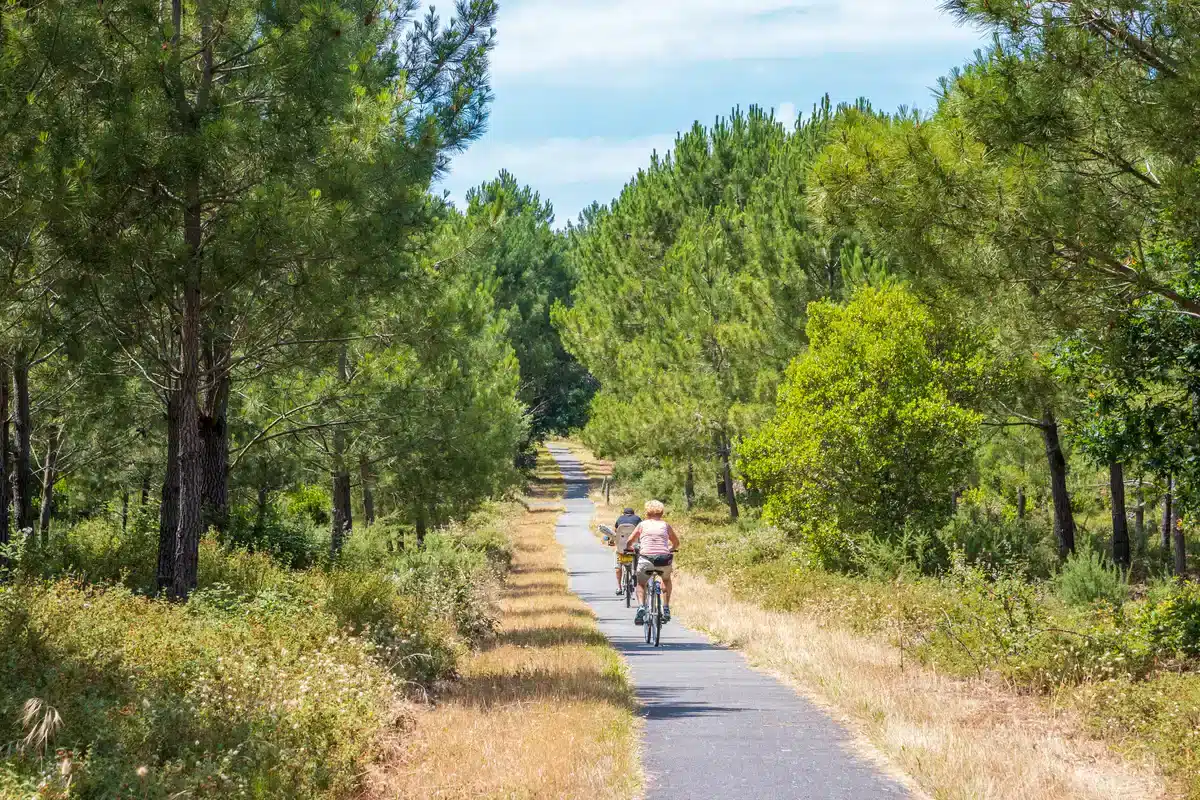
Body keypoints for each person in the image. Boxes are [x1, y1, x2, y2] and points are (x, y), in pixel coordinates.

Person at [626, 499, 679, 625]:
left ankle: (641, 607)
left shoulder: (642, 525)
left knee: (641, 583)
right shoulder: (665, 525)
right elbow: (676, 543)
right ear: (661, 512)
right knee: (666, 580)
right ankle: (666, 608)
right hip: (663, 559)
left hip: (646, 559)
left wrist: (630, 548)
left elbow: (629, 541)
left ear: (647, 512)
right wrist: (671, 549)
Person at [612, 507, 641, 595]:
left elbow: (616, 531)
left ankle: (619, 587)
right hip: (633, 546)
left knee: (618, 566)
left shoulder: (620, 519)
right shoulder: (637, 519)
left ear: (624, 513)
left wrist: (612, 541)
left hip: (621, 547)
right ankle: (635, 572)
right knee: (638, 555)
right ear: (633, 513)